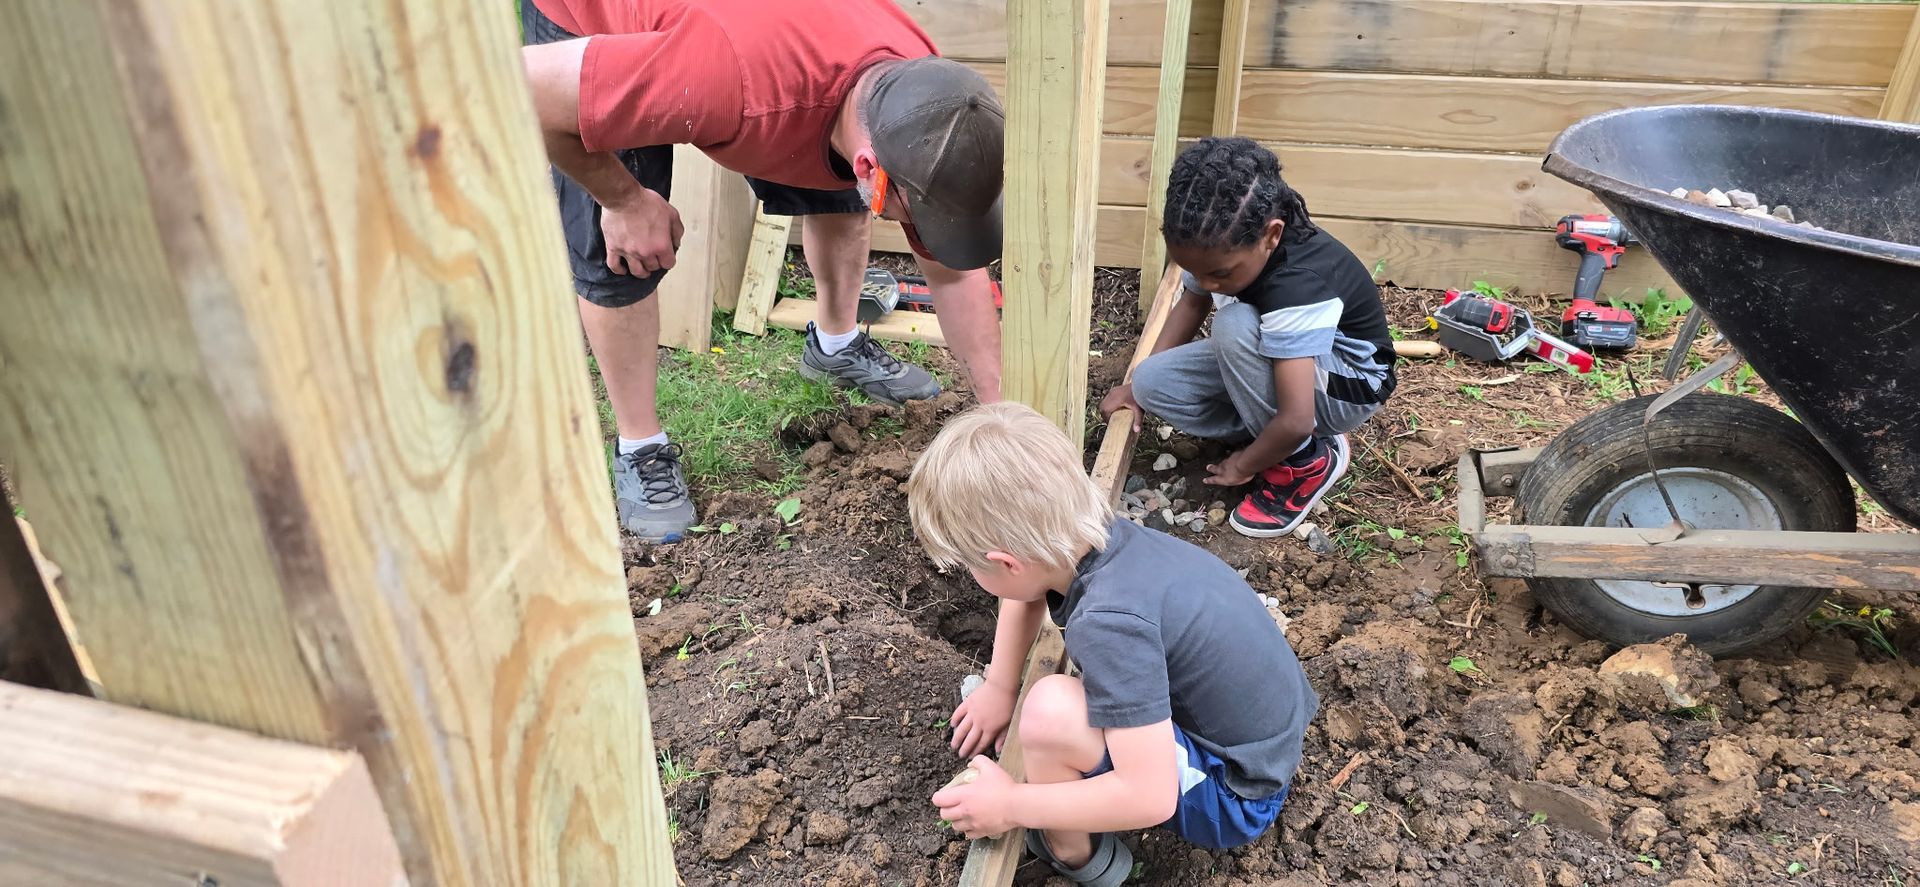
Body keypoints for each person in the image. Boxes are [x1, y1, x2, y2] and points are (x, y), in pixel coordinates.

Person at [521, 0, 1006, 542]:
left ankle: (836, 344)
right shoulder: (725, 80)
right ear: (871, 167)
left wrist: (1002, 416)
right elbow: (526, 89)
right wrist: (623, 200)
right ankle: (641, 446)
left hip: (773, 52)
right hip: (606, 22)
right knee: (623, 252)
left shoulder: (926, 96)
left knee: (842, 200)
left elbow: (954, 272)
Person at [908, 402, 1317, 886]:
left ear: (1007, 563)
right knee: (1058, 701)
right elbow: (1026, 589)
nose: (975, 579)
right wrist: (999, 686)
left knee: (1049, 712)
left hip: (1237, 794)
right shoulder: (1096, 537)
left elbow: (1150, 796)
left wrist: (1012, 805)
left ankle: (1077, 857)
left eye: (973, 568)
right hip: (1267, 739)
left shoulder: (1109, 623)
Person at [1103, 137, 1396, 539]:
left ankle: (1306, 461)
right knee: (1155, 383)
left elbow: (1295, 419)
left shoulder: (1298, 285)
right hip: (1295, 369)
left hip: (1347, 384)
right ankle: (1269, 439)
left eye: (1220, 275)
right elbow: (1192, 302)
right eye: (1195, 269)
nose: (1208, 283)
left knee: (1235, 324)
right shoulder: (1221, 243)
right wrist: (1134, 389)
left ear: (1271, 236)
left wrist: (1244, 465)